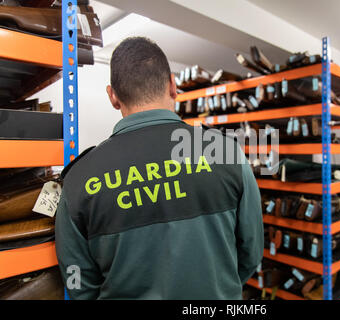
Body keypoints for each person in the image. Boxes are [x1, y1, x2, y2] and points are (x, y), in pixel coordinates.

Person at [55, 37, 263, 299]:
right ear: (173, 86)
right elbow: (251, 253)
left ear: (113, 97)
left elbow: (77, 282)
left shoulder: (79, 179)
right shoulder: (225, 154)